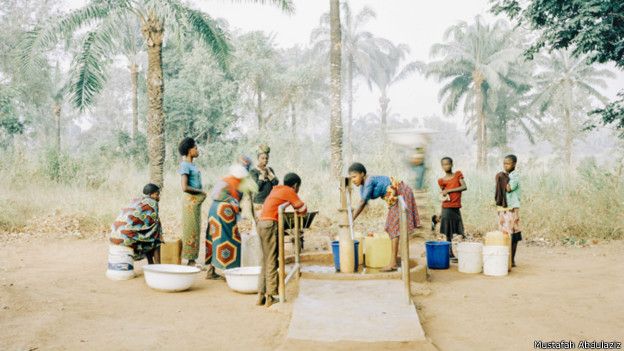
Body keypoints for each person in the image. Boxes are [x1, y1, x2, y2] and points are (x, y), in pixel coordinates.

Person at [349, 162, 421, 272]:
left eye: (354, 177)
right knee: (390, 226)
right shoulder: (363, 186)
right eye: (351, 178)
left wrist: (351, 218)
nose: (353, 180)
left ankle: (393, 263)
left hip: (400, 193)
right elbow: (364, 202)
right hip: (395, 197)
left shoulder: (369, 181)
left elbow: (363, 202)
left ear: (362, 174)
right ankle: (396, 260)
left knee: (393, 227)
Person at [256, 173, 307, 307]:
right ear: (295, 185)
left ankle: (261, 295)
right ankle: (271, 296)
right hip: (270, 225)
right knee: (272, 260)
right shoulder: (289, 191)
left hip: (261, 224)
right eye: (298, 187)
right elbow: (302, 209)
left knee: (265, 260)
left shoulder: (276, 189)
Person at [107, 183, 163, 280]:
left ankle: (151, 265)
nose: (159, 197)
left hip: (115, 234)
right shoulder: (152, 202)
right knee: (156, 238)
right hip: (126, 237)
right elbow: (155, 222)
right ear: (153, 194)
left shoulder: (137, 200)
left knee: (151, 236)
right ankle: (158, 267)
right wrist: (159, 235)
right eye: (158, 194)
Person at [205, 164, 250, 279]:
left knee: (213, 238)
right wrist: (244, 222)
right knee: (231, 239)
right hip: (225, 212)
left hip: (213, 209)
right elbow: (236, 205)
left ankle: (211, 270)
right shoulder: (236, 184)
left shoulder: (224, 180)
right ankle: (230, 273)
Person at [178, 137, 206, 267]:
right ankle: (190, 260)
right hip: (190, 201)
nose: (197, 150)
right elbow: (184, 187)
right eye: (195, 148)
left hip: (194, 201)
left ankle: (192, 259)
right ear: (189, 150)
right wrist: (201, 192)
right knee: (191, 230)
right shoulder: (185, 165)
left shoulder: (192, 165)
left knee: (195, 229)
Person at [433, 157, 467, 259]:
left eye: (447, 164)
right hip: (446, 208)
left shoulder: (458, 175)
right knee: (448, 233)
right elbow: (443, 197)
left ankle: (462, 252)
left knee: (460, 230)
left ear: (452, 164)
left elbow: (464, 187)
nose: (446, 166)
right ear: (441, 166)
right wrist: (440, 212)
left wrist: (449, 190)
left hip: (456, 208)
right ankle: (450, 253)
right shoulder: (441, 181)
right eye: (443, 164)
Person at [496, 154, 521, 267]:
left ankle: (512, 260)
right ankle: (504, 259)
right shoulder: (505, 176)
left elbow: (509, 188)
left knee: (513, 234)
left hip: (512, 209)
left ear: (514, 164)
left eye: (508, 163)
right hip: (503, 208)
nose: (505, 166)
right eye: (504, 163)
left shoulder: (515, 176)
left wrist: (502, 177)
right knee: (504, 234)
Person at [249, 144, 279, 218]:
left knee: (269, 221)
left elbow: (276, 184)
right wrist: (261, 178)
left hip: (270, 201)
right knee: (260, 222)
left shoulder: (270, 170)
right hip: (258, 202)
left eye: (266, 158)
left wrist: (268, 174)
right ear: (258, 158)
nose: (265, 160)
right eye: (262, 158)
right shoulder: (253, 171)